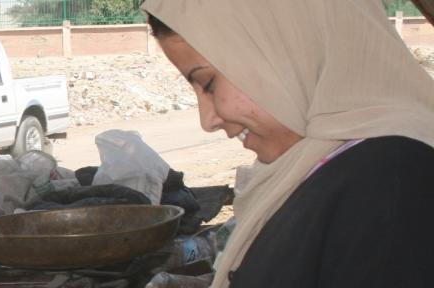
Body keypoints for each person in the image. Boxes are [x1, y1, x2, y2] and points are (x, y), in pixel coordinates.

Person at [144, 1, 434, 287]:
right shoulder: (317, 167)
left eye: (208, 84)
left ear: (291, 49)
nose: (208, 120)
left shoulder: (389, 184)